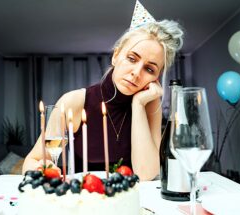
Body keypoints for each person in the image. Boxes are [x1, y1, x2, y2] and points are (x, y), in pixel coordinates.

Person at [22, 18, 183, 181]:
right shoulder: (74, 101)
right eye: (132, 59)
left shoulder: (150, 103)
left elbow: (146, 174)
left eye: (149, 69)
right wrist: (44, 168)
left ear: (156, 77)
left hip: (128, 200)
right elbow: (31, 161)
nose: (136, 72)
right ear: (116, 56)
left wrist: (139, 105)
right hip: (84, 197)